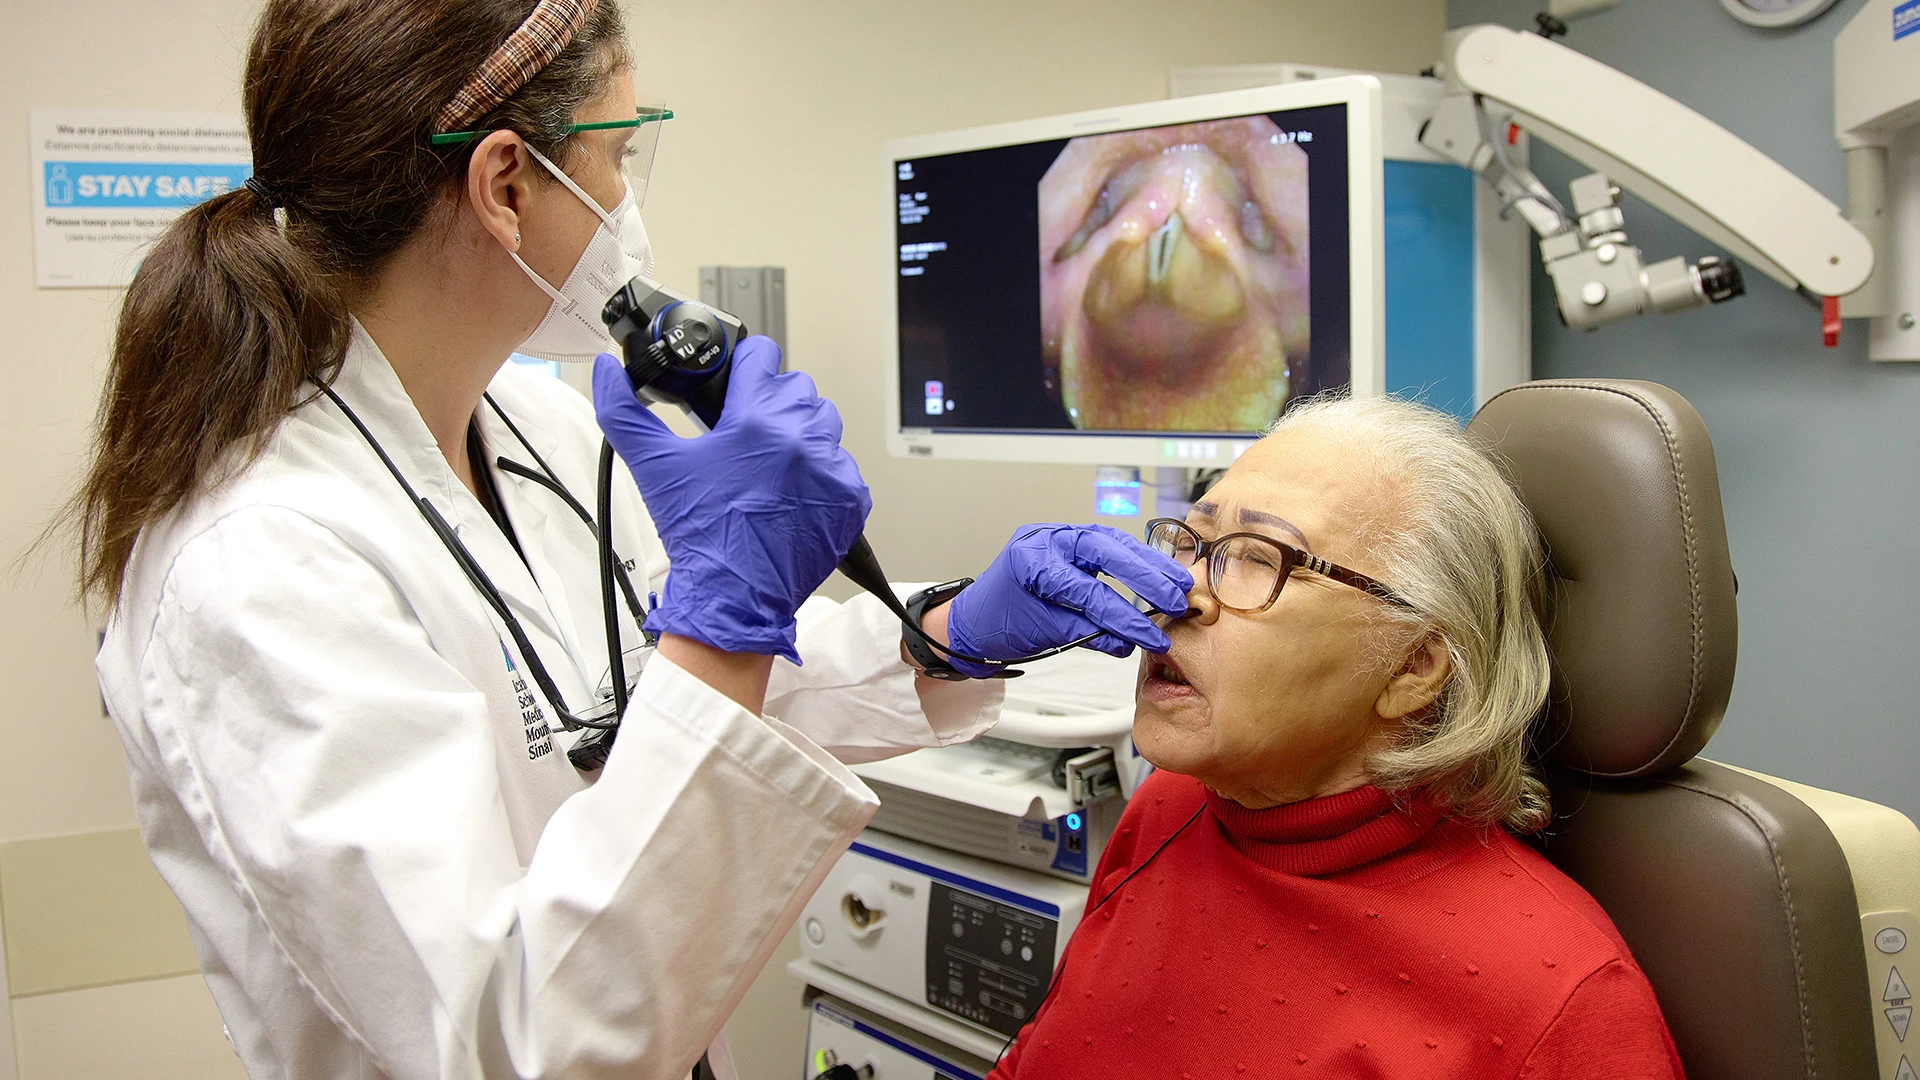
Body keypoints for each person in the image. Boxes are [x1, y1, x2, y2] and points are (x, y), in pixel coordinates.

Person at [78, 2, 1190, 1078]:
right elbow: (526, 1040)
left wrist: (942, 633)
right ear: (506, 182)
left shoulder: (543, 428)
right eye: (620, 153)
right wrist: (726, 613)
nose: (624, 198)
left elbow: (683, 713)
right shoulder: (258, 560)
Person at [988, 395, 1686, 1080]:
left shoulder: (1562, 1004)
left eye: (1259, 557)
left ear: (1413, 666)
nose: (1180, 592)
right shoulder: (1170, 806)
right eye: (1192, 544)